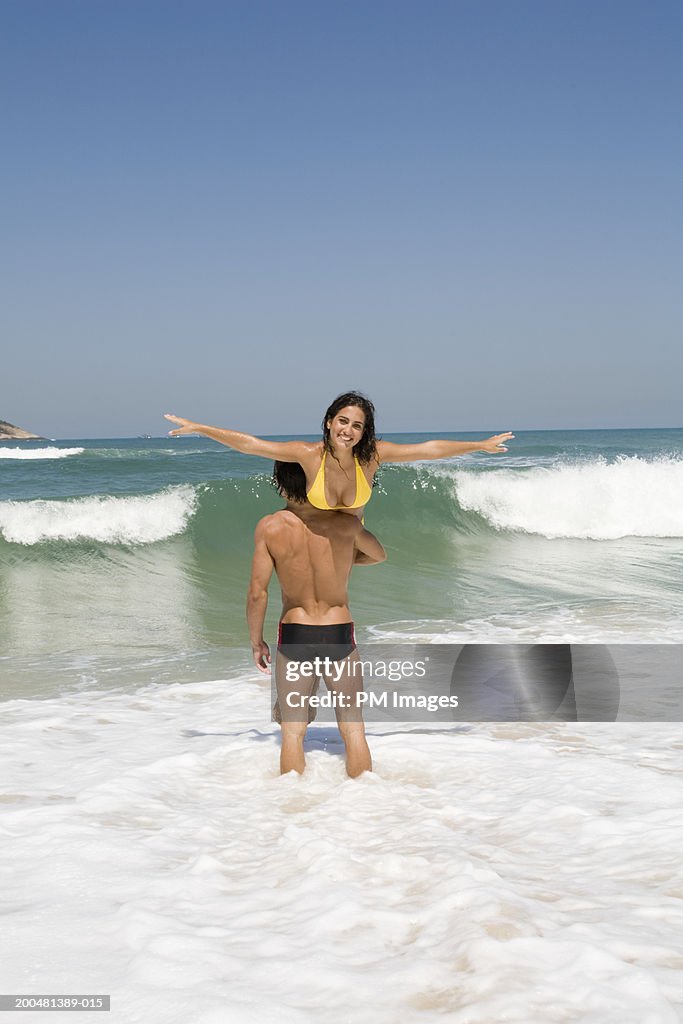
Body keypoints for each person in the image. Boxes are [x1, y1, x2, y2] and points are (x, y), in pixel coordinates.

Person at [165, 392, 514, 520]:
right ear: (330, 422)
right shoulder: (307, 454)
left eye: (357, 426)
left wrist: (479, 445)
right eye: (343, 421)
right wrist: (200, 427)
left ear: (365, 432)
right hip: (316, 541)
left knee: (377, 556)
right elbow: (251, 444)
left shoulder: (372, 456)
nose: (348, 430)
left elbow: (428, 449)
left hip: (351, 548)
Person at [247, 502, 386, 777]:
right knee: (353, 727)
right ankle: (368, 801)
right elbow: (379, 555)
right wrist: (345, 556)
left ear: (282, 485)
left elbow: (257, 593)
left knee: (292, 731)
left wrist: (256, 641)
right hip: (338, 632)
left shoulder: (270, 526)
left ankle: (293, 803)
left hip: (296, 632)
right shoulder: (345, 525)